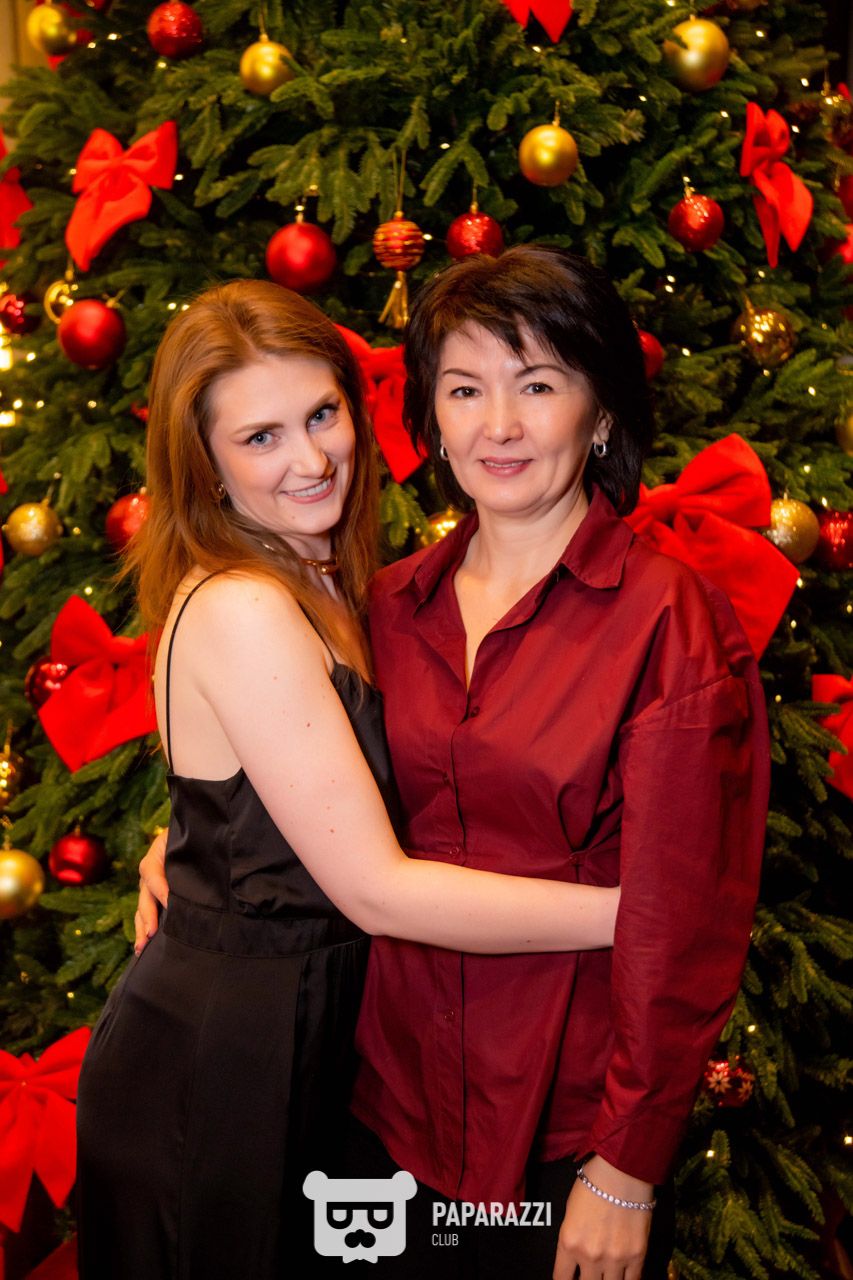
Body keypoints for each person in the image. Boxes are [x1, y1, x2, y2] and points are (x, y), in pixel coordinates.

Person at [135, 250, 769, 1279]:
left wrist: (626, 1166)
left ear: (600, 415)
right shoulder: (385, 604)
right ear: (429, 419)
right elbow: (321, 793)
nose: (498, 426)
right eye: (465, 390)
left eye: (538, 386)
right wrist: (187, 843)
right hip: (383, 1113)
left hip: (564, 1131)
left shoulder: (668, 619)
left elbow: (690, 919)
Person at [76, 277, 621, 1280]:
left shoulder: (325, 576)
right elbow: (375, 888)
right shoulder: (244, 603)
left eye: (321, 414)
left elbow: (281, 793)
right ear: (205, 467)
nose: (312, 458)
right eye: (261, 437)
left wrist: (187, 841)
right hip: (225, 1061)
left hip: (315, 1033)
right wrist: (634, 913)